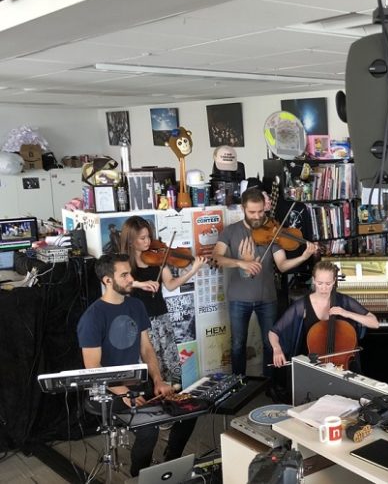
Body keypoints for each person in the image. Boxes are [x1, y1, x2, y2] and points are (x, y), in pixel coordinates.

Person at [77, 254, 189, 476]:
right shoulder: (92, 317)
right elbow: (93, 368)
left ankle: (171, 462)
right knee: (149, 430)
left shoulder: (136, 305)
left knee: (188, 411)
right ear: (107, 280)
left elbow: (146, 349)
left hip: (136, 384)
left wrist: (158, 380)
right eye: (124, 275)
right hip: (106, 390)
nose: (131, 279)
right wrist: (123, 392)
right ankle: (140, 476)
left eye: (130, 273)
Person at [212, 188, 318, 377]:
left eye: (261, 211)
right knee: (237, 345)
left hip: (267, 298)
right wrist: (240, 262)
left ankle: (269, 385)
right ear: (243, 209)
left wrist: (304, 256)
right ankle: (239, 383)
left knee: (270, 344)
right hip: (238, 297)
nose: (257, 216)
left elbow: (283, 265)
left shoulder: (273, 231)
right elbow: (216, 258)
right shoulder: (231, 231)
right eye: (252, 212)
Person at [119, 215, 206, 384]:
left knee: (169, 362)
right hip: (137, 321)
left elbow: (171, 284)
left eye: (148, 237)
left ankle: (174, 399)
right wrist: (139, 284)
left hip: (160, 315)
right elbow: (119, 284)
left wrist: (192, 270)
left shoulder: (157, 257)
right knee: (147, 364)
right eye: (142, 238)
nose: (147, 242)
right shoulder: (123, 263)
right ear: (130, 241)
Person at [269, 261, 379, 369]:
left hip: (342, 366)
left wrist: (346, 313)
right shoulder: (302, 305)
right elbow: (274, 332)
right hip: (313, 366)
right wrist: (277, 349)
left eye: (328, 284)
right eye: (319, 283)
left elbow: (374, 323)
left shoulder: (344, 301)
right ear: (313, 280)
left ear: (334, 281)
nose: (323, 288)